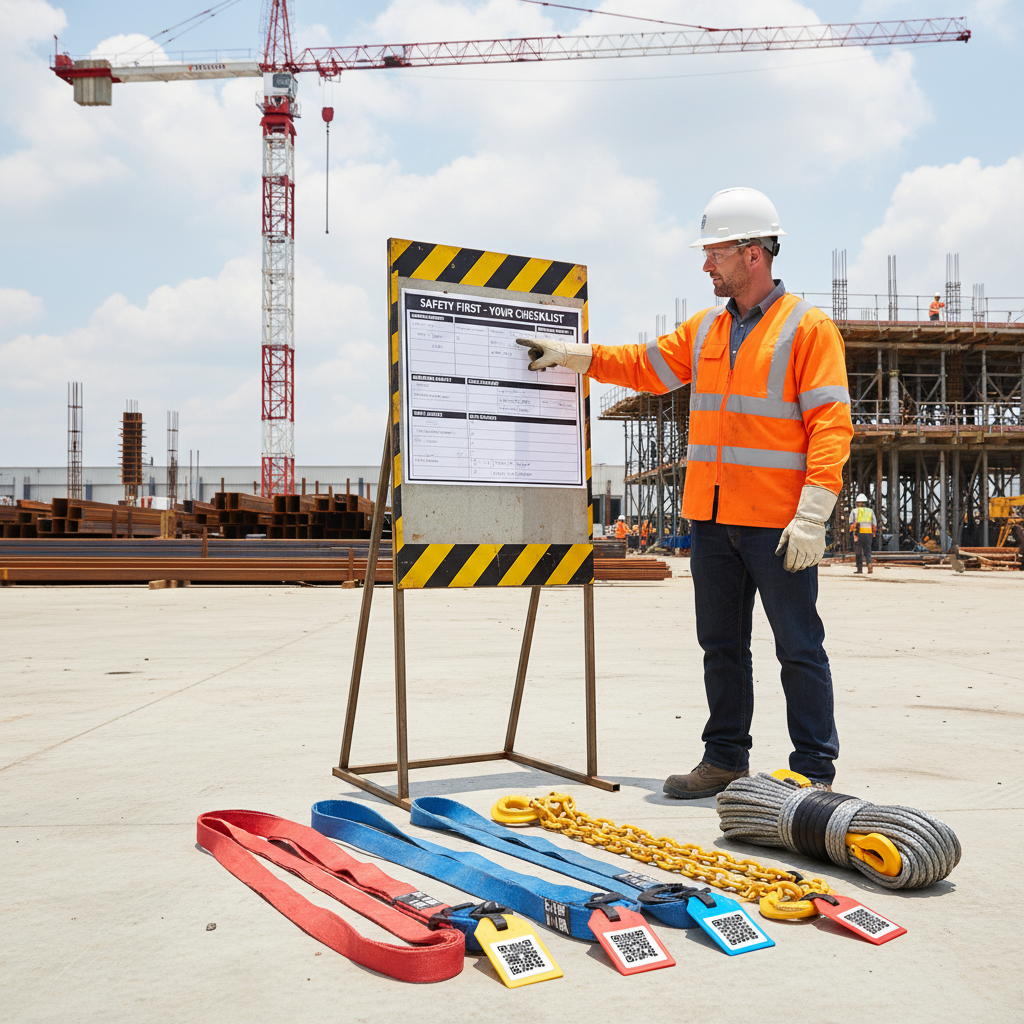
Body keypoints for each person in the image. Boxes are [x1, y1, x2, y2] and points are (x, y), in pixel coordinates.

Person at [518, 187, 853, 794]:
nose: (706, 265)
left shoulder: (808, 328)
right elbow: (644, 364)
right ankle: (725, 759)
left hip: (779, 525)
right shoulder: (705, 330)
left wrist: (813, 514)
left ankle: (812, 773)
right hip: (712, 517)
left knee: (798, 647)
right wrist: (576, 356)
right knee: (721, 645)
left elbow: (830, 422)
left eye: (715, 253)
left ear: (753, 254)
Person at [849, 493, 876, 574]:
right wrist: (874, 533)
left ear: (857, 503)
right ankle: (869, 564)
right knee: (867, 551)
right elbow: (874, 523)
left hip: (858, 533)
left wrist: (852, 533)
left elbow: (851, 523)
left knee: (858, 552)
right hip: (868, 533)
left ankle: (859, 569)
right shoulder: (870, 511)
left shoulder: (854, 511)